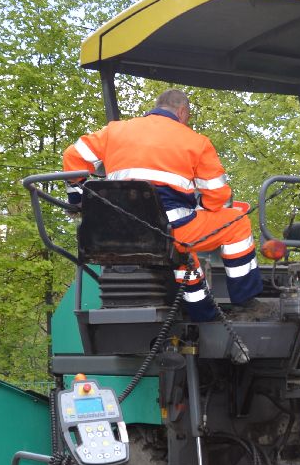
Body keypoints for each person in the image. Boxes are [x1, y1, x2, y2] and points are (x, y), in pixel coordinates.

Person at [63, 88, 260, 321]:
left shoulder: (115, 130)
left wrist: (77, 201)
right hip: (170, 230)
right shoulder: (196, 141)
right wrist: (203, 207)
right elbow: (217, 196)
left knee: (185, 256)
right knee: (236, 225)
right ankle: (245, 301)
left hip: (114, 231)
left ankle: (204, 313)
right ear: (182, 111)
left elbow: (72, 156)